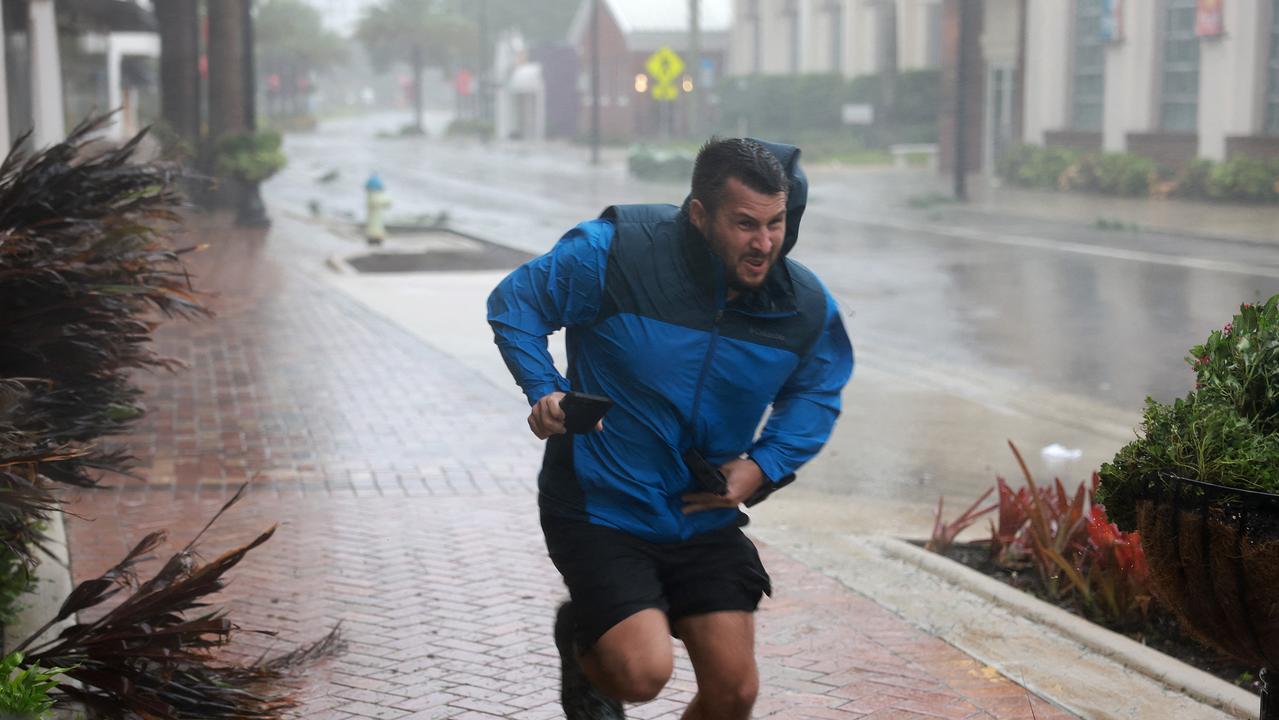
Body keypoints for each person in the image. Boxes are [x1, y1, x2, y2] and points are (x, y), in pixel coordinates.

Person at [486, 137, 853, 719]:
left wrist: (763, 465)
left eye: (776, 223)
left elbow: (817, 388)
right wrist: (544, 388)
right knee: (641, 674)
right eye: (745, 225)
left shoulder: (802, 305)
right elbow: (517, 302)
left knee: (734, 692)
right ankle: (585, 648)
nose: (764, 244)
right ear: (699, 214)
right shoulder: (615, 253)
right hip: (601, 504)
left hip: (699, 512)